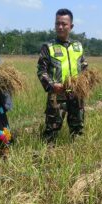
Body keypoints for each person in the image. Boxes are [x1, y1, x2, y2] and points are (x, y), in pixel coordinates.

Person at [37, 8, 88, 144]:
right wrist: (52, 85)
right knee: (51, 132)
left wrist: (85, 82)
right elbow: (41, 72)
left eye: (64, 24)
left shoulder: (78, 46)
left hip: (77, 95)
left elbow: (84, 68)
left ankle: (76, 157)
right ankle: (46, 157)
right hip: (57, 96)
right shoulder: (48, 47)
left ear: (70, 26)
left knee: (78, 130)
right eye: (57, 23)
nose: (60, 27)